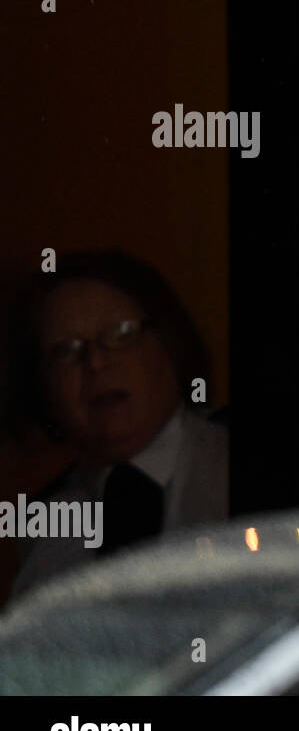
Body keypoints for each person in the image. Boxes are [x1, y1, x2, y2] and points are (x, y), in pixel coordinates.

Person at [3, 249, 228, 597]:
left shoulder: (244, 465)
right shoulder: (44, 525)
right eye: (66, 350)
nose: (95, 362)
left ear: (169, 343)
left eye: (122, 334)